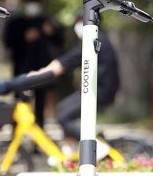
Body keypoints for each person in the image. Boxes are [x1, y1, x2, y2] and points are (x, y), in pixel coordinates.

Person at [32, 12, 119, 153]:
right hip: (97, 89)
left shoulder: (94, 40)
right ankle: (70, 148)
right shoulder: (100, 38)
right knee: (62, 109)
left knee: (63, 116)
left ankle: (96, 146)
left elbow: (66, 61)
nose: (79, 25)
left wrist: (40, 74)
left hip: (99, 91)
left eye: (81, 21)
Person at [3, 0, 64, 126]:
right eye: (30, 1)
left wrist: (51, 32)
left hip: (42, 68)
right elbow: (8, 42)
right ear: (24, 2)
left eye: (36, 1)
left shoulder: (46, 21)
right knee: (19, 103)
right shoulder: (15, 21)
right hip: (21, 67)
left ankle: (39, 140)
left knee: (40, 105)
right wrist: (24, 37)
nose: (33, 5)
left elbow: (60, 41)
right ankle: (16, 137)